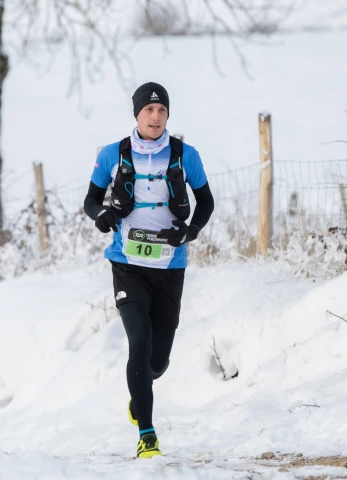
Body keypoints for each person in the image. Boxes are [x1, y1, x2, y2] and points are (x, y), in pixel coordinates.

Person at [83, 82, 214, 458]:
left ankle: (139, 396)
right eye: (148, 111)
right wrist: (102, 215)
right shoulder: (113, 154)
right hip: (127, 264)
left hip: (170, 265)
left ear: (167, 115)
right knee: (139, 342)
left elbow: (205, 202)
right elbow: (91, 199)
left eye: (161, 111)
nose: (155, 117)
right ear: (137, 115)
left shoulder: (185, 155)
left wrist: (191, 231)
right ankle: (147, 434)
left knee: (157, 361)